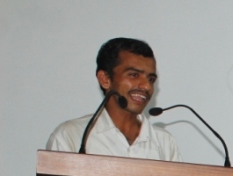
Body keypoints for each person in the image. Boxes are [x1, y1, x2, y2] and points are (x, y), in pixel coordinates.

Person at [46, 37, 181, 160]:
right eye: (133, 75)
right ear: (105, 79)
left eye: (151, 79)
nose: (146, 86)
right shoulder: (71, 135)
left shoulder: (165, 142)